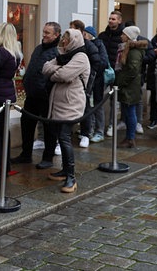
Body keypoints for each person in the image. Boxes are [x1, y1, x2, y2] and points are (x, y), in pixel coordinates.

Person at [43, 28, 89, 192]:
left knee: (64, 137)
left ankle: (71, 176)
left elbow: (63, 76)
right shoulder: (63, 55)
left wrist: (56, 72)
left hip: (71, 105)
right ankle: (64, 170)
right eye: (64, 38)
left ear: (74, 41)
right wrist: (58, 71)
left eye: (66, 39)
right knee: (60, 137)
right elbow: (45, 68)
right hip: (59, 104)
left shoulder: (81, 57)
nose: (63, 41)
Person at [10, 22, 61, 170]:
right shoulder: (39, 48)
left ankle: (48, 157)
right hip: (32, 95)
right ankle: (26, 154)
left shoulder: (57, 52)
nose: (44, 35)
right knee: (27, 124)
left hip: (46, 97)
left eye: (48, 33)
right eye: (44, 31)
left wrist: (45, 89)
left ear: (56, 35)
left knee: (49, 128)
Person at [0, 22, 21, 178]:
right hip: (6, 93)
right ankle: (4, 165)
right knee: (3, 132)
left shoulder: (2, 53)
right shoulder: (15, 53)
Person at [69, 20, 101, 148]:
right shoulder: (69, 45)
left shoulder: (89, 46)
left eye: (73, 29)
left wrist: (87, 77)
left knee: (85, 108)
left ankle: (85, 134)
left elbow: (97, 63)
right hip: (70, 82)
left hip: (83, 83)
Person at [115, 26, 146, 148]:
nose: (121, 36)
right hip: (128, 85)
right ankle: (129, 137)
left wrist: (121, 82)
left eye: (123, 34)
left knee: (130, 111)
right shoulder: (126, 48)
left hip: (129, 86)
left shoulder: (133, 51)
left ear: (129, 36)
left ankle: (130, 138)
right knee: (127, 111)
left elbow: (132, 70)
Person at [98, 11, 124, 137]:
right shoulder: (103, 35)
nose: (111, 21)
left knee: (114, 101)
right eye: (110, 18)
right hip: (104, 72)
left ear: (119, 21)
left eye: (113, 19)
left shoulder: (123, 36)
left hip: (117, 73)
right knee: (98, 99)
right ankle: (99, 127)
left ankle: (112, 125)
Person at [83, 25, 109, 143]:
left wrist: (92, 68)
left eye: (85, 33)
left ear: (90, 35)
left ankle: (99, 131)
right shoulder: (83, 45)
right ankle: (89, 129)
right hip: (87, 81)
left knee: (97, 106)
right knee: (88, 106)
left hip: (97, 81)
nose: (83, 35)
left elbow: (103, 62)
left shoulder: (99, 44)